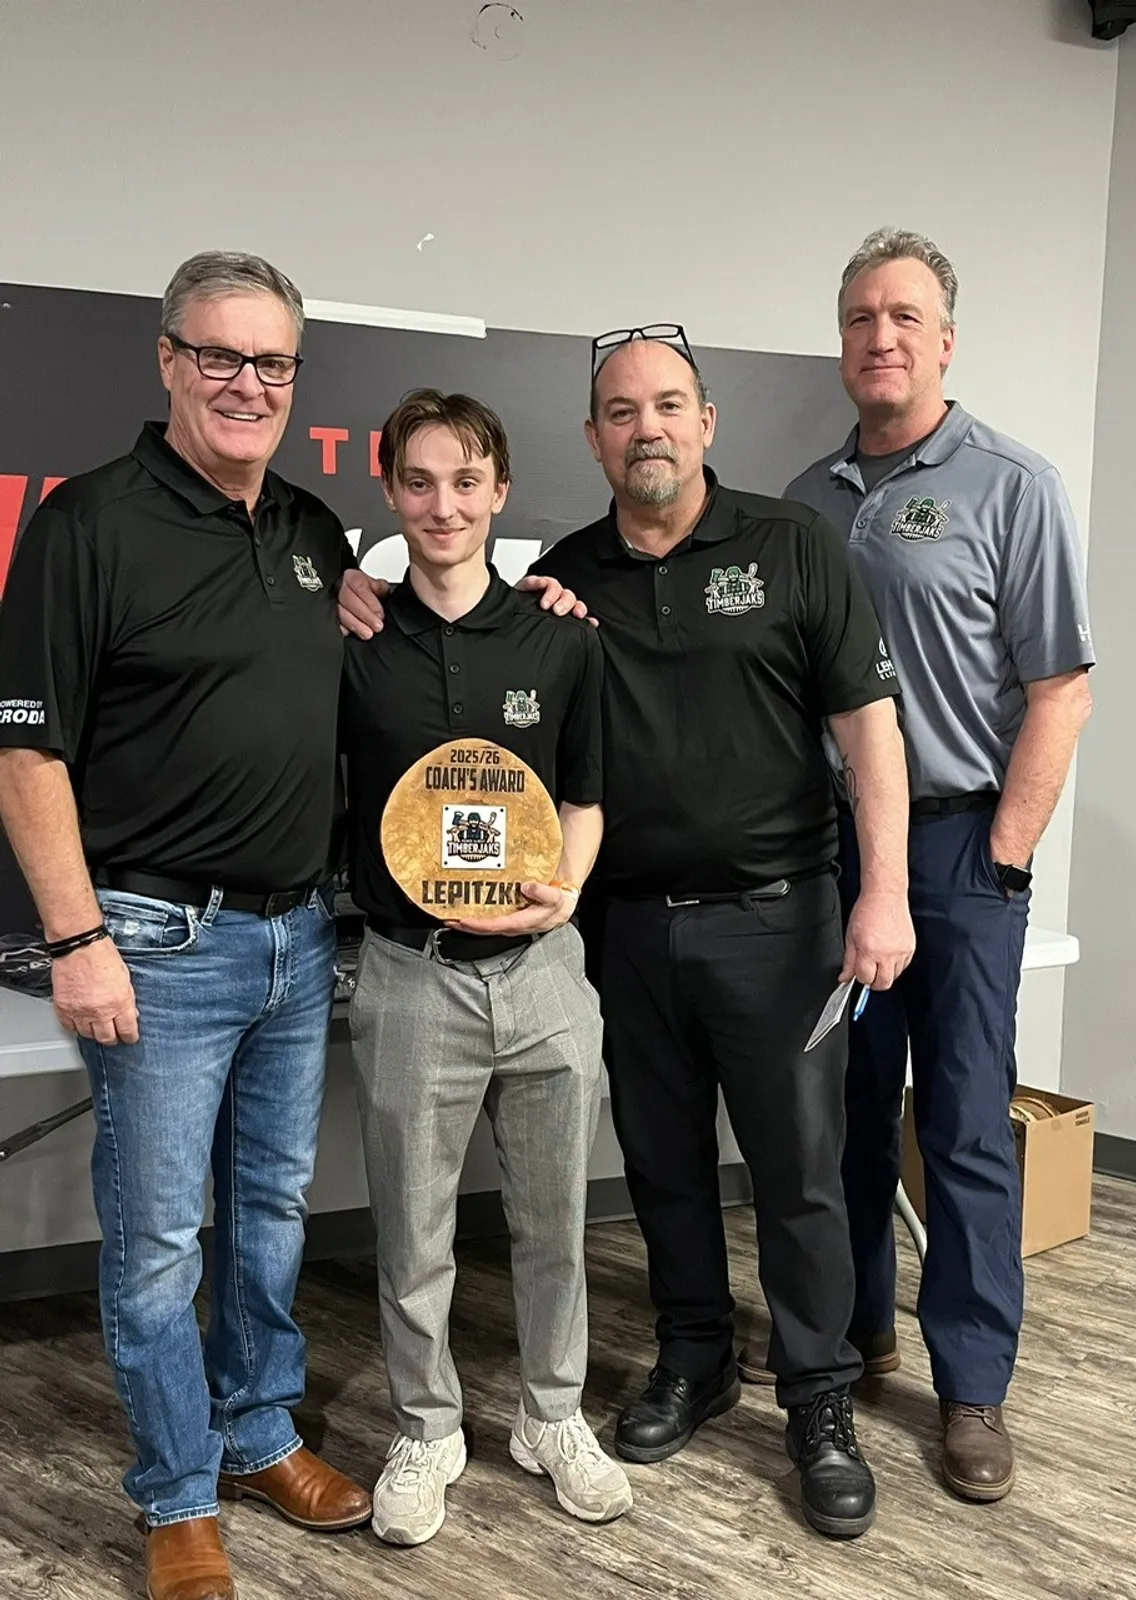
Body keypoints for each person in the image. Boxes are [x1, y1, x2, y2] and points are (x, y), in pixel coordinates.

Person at [343, 327, 915, 1540]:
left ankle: (816, 1400)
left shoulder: (793, 544)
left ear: (705, 420)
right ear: (593, 438)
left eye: (667, 404)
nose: (645, 426)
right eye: (619, 410)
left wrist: (885, 891)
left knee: (801, 1176)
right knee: (658, 1169)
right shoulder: (566, 581)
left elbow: (868, 725)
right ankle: (693, 1358)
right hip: (628, 931)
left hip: (781, 914)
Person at [0, 251, 375, 1600]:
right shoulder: (87, 523)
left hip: (295, 939)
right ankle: (173, 1494)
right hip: (156, 940)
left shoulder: (313, 529)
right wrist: (77, 937)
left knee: (270, 1211)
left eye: (270, 362)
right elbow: (26, 754)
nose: (246, 384)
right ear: (167, 361)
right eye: (218, 356)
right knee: (159, 1236)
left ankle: (259, 1431)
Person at [784, 228, 1094, 1504]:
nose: (881, 337)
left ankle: (972, 1388)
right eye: (860, 317)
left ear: (946, 339)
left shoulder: (1012, 483)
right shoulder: (806, 501)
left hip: (963, 845)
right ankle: (860, 1328)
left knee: (963, 1123)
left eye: (905, 316)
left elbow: (1059, 688)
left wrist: (1004, 859)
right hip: (843, 846)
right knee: (846, 1111)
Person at [340, 388, 632, 1547]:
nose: (443, 504)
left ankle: (550, 1417)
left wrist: (570, 881)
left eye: (466, 482)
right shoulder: (355, 643)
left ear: (501, 490)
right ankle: (427, 1428)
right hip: (410, 973)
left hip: (545, 969)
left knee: (556, 1220)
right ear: (391, 489)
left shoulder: (563, 635)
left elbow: (588, 795)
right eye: (420, 481)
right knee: (414, 1229)